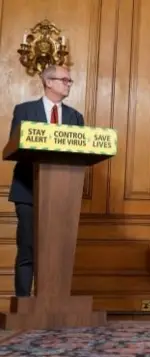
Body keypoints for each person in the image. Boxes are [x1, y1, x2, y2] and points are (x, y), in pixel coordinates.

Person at [8, 65, 85, 297]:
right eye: (64, 80)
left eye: (69, 81)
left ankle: (54, 302)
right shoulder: (24, 110)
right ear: (48, 82)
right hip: (28, 191)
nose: (68, 84)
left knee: (57, 251)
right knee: (28, 249)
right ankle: (23, 304)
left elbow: (80, 152)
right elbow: (14, 146)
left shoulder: (75, 117)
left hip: (63, 194)